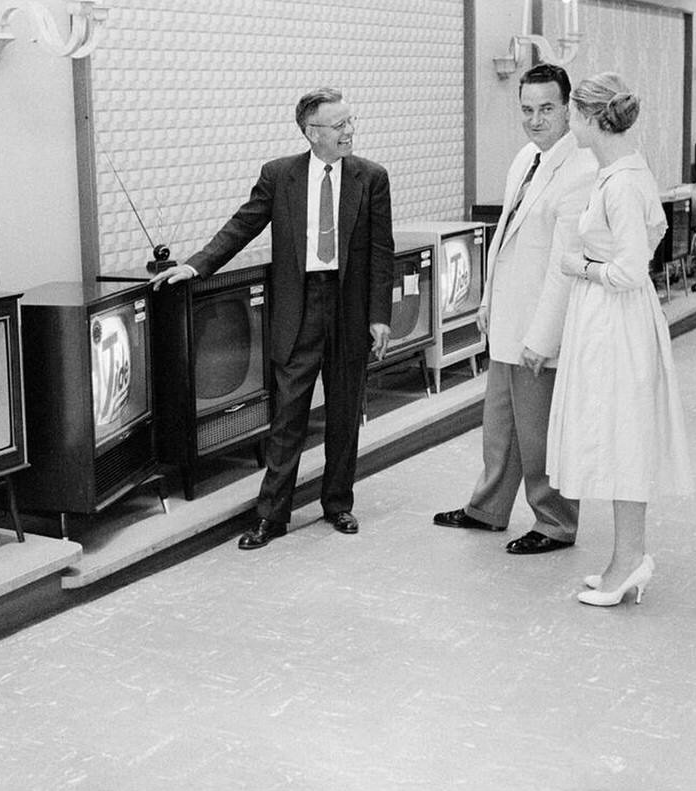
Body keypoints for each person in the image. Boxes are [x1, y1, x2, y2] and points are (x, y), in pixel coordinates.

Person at [151, 87, 394, 550]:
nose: (350, 132)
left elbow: (381, 252)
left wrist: (379, 317)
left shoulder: (371, 177)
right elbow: (242, 225)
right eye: (339, 125)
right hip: (298, 308)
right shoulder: (280, 176)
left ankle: (338, 504)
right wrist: (197, 264)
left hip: (349, 308)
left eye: (351, 122)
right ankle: (272, 516)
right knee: (288, 418)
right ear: (311, 132)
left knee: (344, 412)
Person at [433, 64, 596, 554]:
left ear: (568, 108)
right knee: (500, 425)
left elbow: (564, 266)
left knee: (540, 430)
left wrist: (542, 337)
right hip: (507, 315)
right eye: (527, 109)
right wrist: (485, 301)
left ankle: (555, 522)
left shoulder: (581, 169)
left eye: (547, 108)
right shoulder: (526, 157)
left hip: (541, 325)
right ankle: (488, 509)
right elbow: (504, 234)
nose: (536, 118)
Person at [548, 72, 691, 607]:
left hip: (616, 322)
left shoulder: (624, 181)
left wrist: (578, 265)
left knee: (621, 438)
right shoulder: (617, 174)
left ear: (588, 118)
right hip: (607, 320)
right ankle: (622, 558)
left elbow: (631, 268)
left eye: (573, 116)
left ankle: (630, 560)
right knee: (610, 436)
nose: (570, 125)